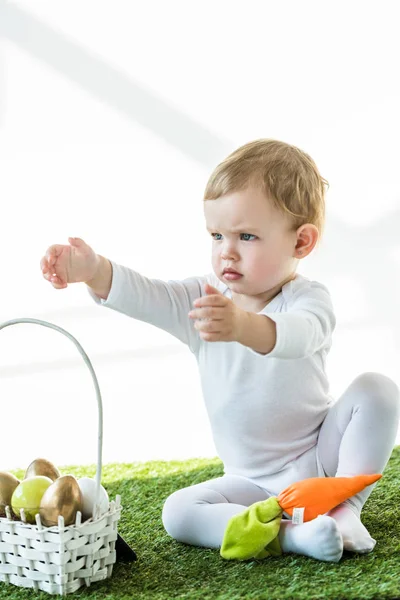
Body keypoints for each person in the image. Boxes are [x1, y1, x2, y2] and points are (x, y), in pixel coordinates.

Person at [40, 139, 400, 563]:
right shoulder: (203, 299)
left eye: (246, 236)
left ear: (301, 243)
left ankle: (344, 509)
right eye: (216, 235)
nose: (226, 250)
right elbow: (148, 296)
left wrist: (241, 325)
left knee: (377, 390)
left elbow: (298, 335)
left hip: (321, 453)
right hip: (250, 482)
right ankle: (292, 536)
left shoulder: (309, 300)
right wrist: (94, 271)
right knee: (178, 512)